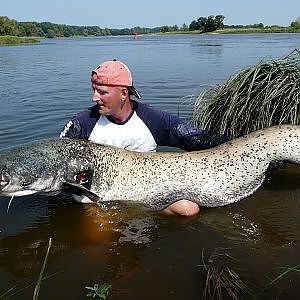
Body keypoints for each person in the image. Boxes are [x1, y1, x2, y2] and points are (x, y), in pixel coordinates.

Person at [60, 59, 229, 216]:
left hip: (143, 193)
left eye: (102, 92)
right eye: (94, 90)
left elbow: (195, 138)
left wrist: (235, 143)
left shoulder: (152, 119)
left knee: (188, 210)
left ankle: (137, 213)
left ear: (123, 93)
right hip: (97, 199)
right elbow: (57, 158)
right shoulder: (82, 123)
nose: (94, 97)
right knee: (100, 242)